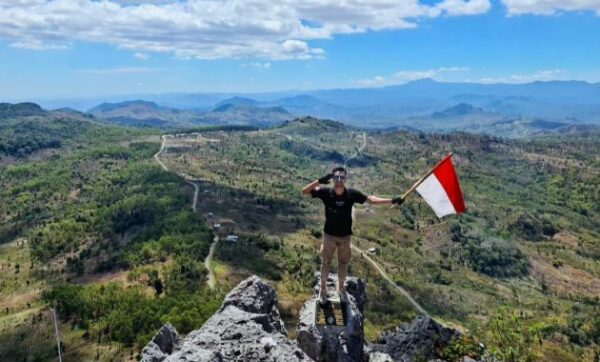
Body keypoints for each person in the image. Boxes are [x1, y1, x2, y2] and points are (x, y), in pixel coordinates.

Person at [302, 166, 404, 304]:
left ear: (345, 179)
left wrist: (392, 200)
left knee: (343, 263)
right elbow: (304, 191)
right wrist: (319, 181)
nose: (339, 180)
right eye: (336, 177)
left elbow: (371, 200)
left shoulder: (351, 194)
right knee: (325, 262)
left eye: (342, 177)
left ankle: (341, 288)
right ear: (332, 179)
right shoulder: (326, 192)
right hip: (329, 236)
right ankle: (323, 290)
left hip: (345, 237)